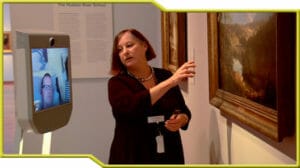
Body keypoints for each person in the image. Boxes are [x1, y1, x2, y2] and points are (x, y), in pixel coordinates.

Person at [108, 28, 196, 164]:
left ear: (144, 45)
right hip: (132, 153)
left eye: (129, 45)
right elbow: (132, 107)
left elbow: (183, 110)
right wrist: (171, 82)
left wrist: (182, 119)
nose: (125, 52)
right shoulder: (117, 83)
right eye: (120, 49)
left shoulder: (164, 75)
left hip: (169, 152)